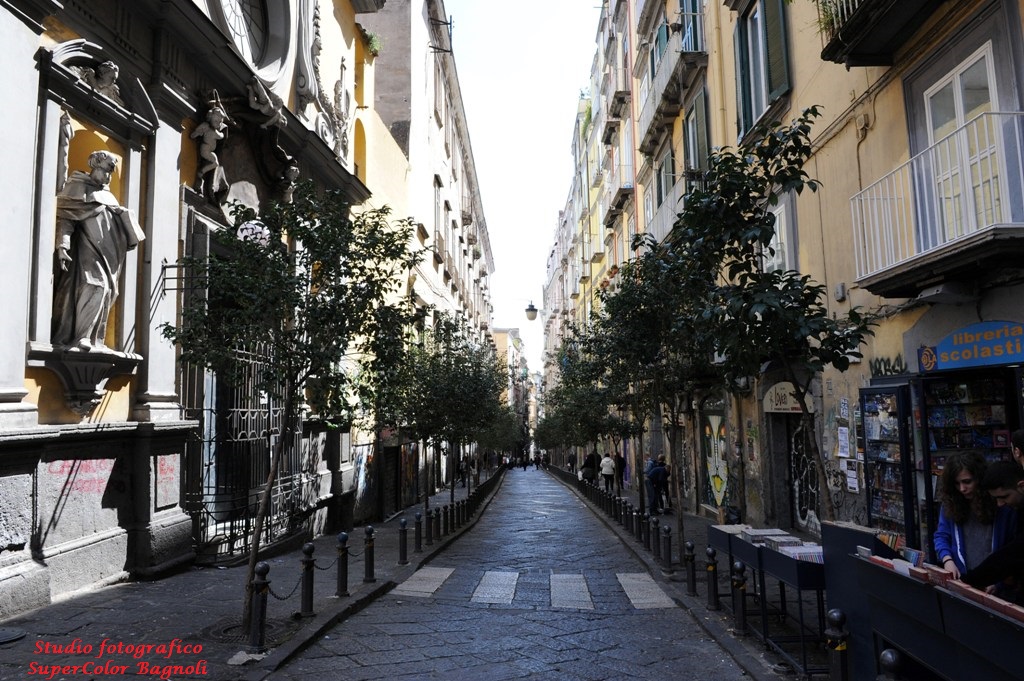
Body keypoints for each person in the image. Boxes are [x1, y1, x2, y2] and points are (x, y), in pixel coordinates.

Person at [52, 150, 145, 351]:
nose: (108, 176)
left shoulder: (108, 196)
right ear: (95, 165)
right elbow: (66, 220)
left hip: (111, 256)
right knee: (94, 285)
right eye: (106, 171)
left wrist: (123, 216)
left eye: (111, 173)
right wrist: (63, 245)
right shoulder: (77, 187)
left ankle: (96, 339)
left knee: (109, 291)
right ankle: (80, 337)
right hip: (88, 250)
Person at [933, 452, 1016, 580]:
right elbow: (942, 535)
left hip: (994, 578)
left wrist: (1000, 582)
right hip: (963, 576)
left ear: (980, 479)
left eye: (967, 482)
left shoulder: (1001, 505)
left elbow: (1011, 548)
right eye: (957, 483)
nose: (962, 488)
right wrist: (947, 559)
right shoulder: (951, 503)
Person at [963, 461, 1024, 596]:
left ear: (1021, 486)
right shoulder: (1017, 507)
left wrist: (970, 580)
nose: (1000, 504)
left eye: (1004, 497)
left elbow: (1014, 553)